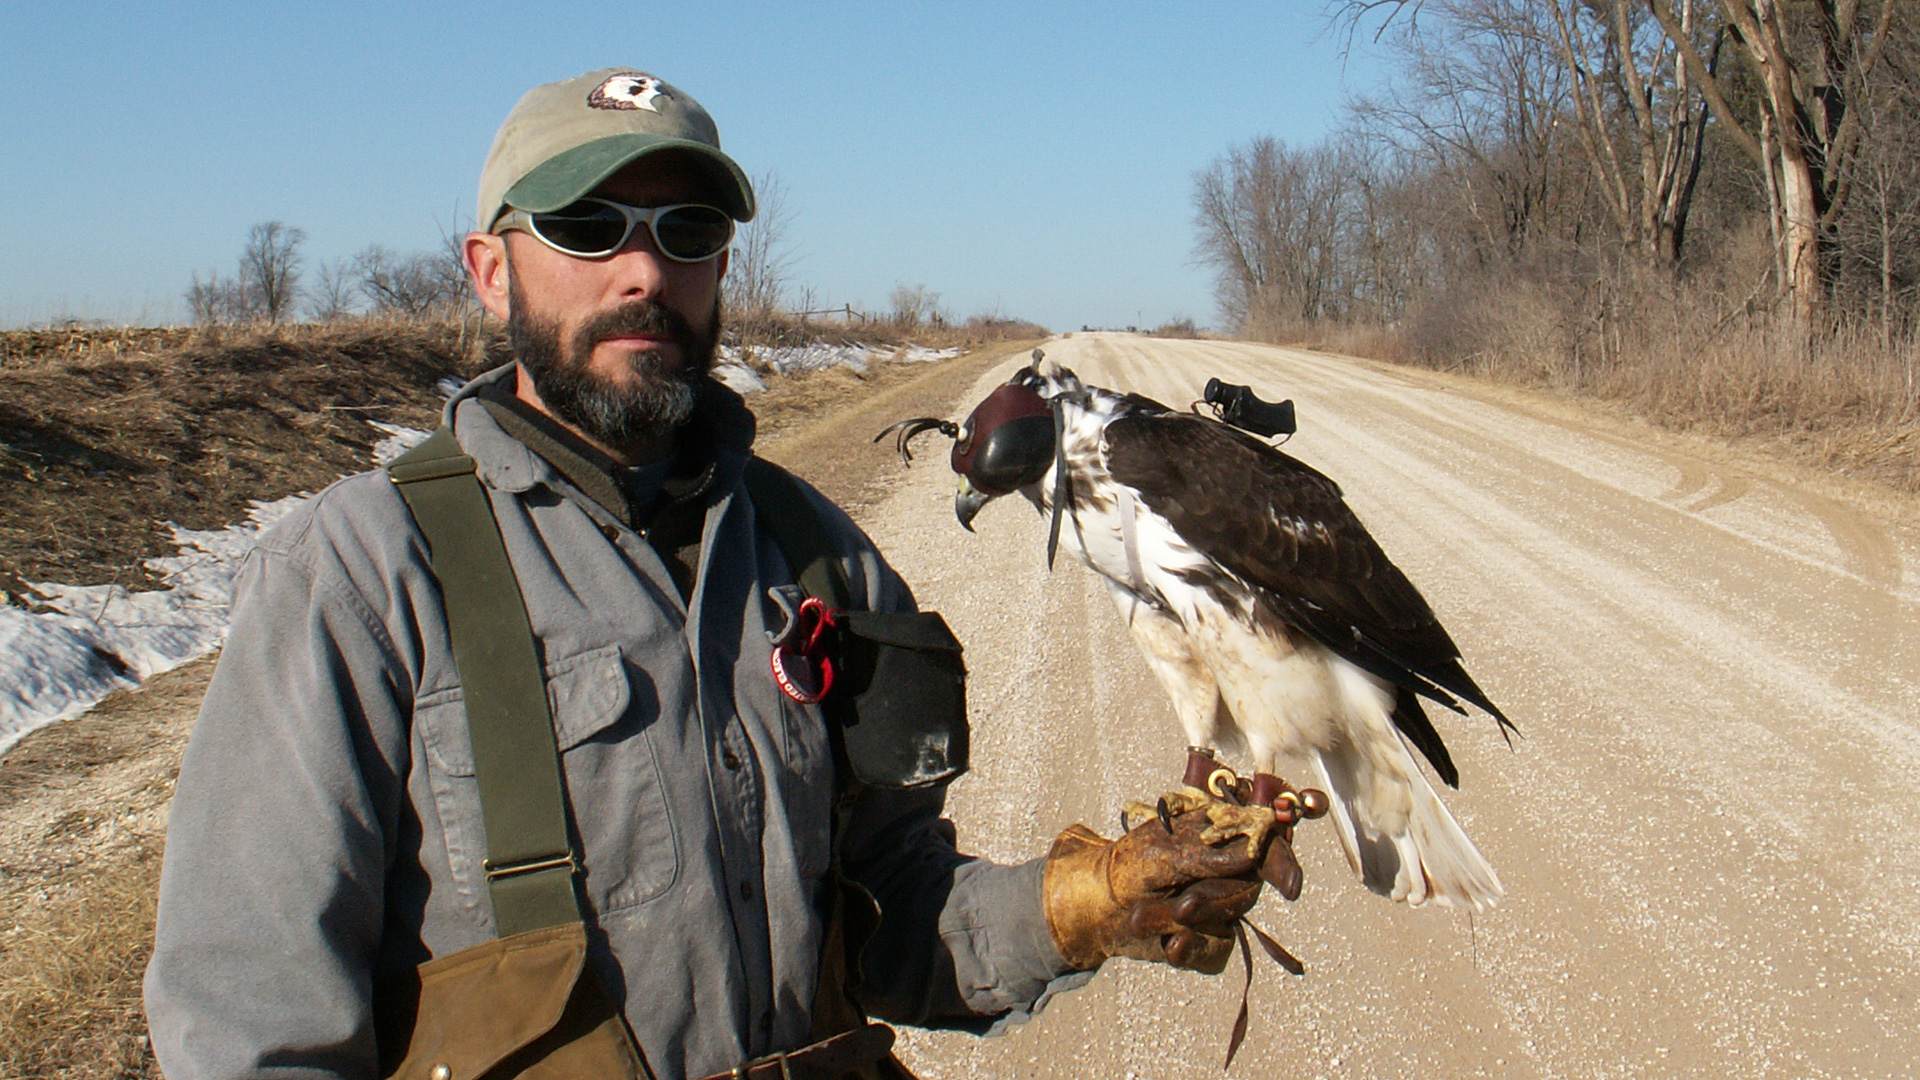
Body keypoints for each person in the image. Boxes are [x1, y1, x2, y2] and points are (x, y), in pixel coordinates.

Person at [144, 68, 1297, 1080]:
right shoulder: (352, 578)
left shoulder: (825, 558)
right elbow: (255, 1026)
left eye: (686, 230)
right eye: (589, 227)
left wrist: (1083, 906)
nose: (644, 270)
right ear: (491, 271)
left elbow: (894, 918)